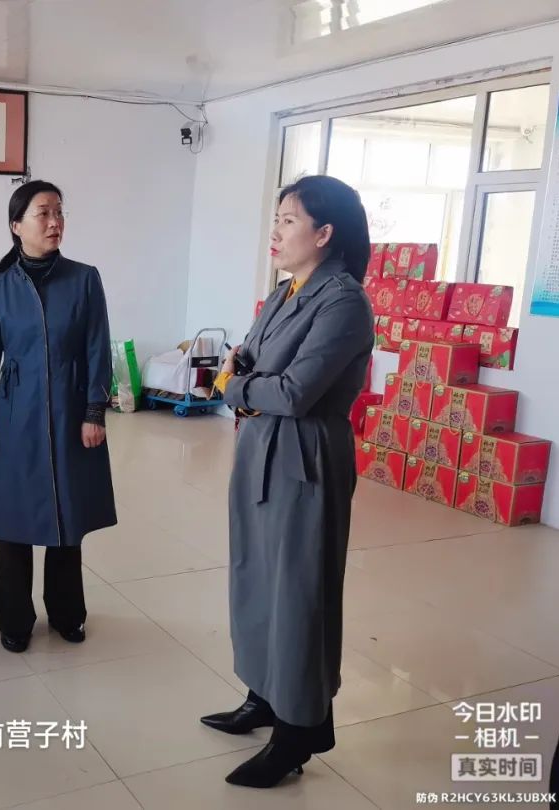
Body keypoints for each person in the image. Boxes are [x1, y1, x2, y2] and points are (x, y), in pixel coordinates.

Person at [200, 174, 375, 788]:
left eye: (289, 220)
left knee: (298, 591)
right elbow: (248, 359)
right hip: (261, 447)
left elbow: (295, 392)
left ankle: (298, 730)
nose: (275, 232)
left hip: (307, 458)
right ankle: (264, 695)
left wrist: (237, 386)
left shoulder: (343, 302)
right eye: (276, 218)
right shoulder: (283, 293)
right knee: (256, 575)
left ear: (324, 234)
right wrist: (246, 383)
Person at [0, 180, 117, 654]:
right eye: (43, 213)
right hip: (16, 413)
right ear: (17, 226)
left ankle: (67, 613)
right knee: (15, 518)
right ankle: (13, 618)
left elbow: (98, 348)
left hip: (71, 409)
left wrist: (94, 410)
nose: (55, 222)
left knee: (66, 514)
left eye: (59, 212)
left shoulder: (84, 278)